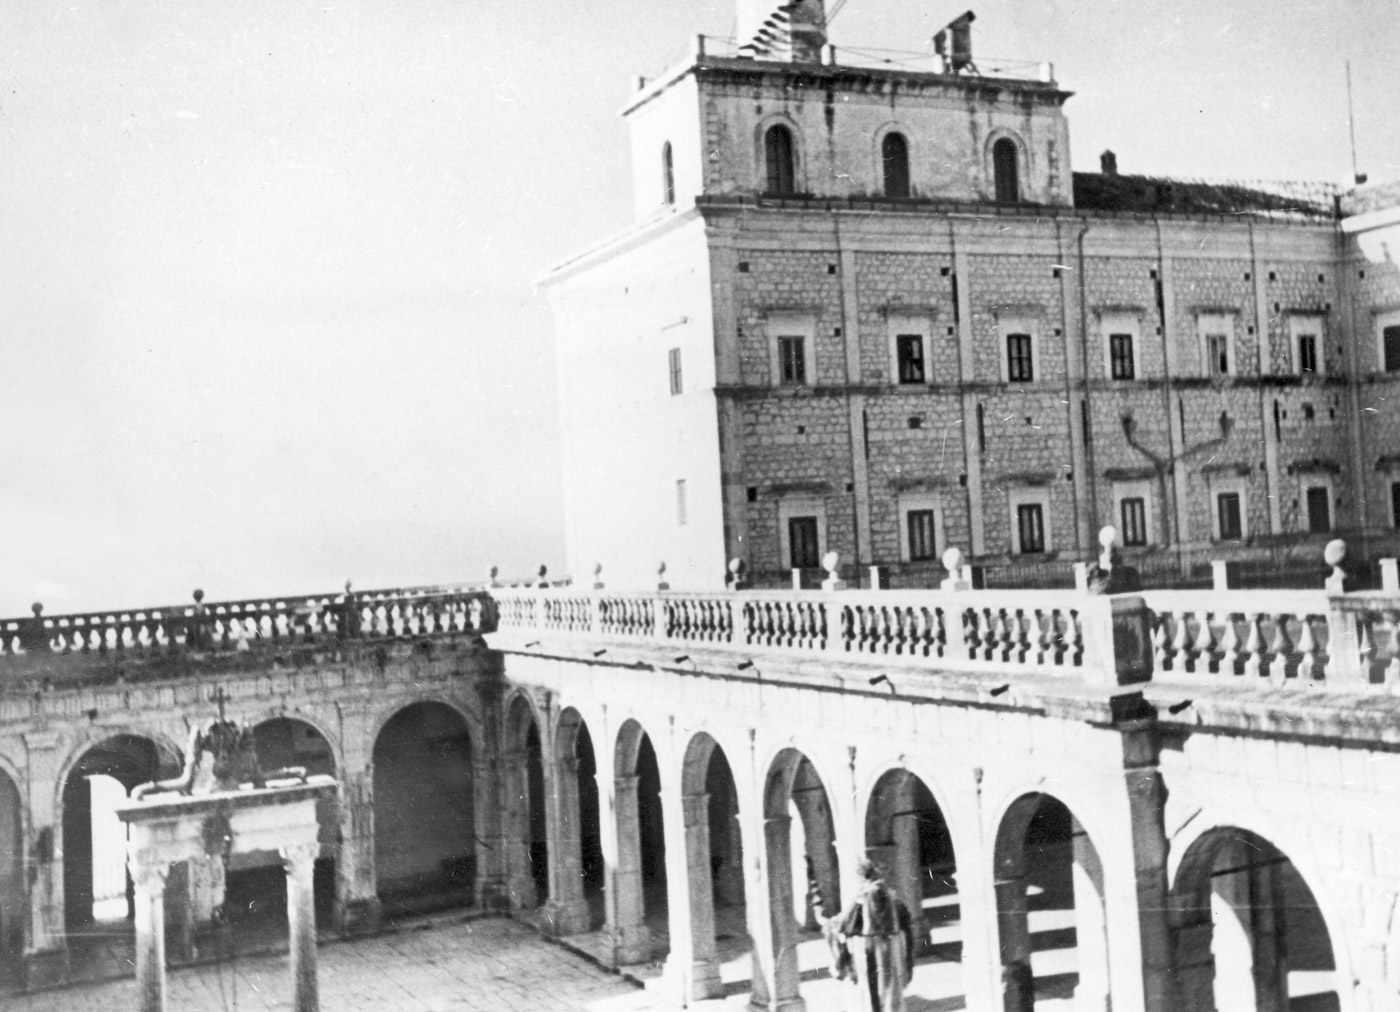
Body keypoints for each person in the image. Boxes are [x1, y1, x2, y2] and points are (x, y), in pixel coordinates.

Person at [832, 857, 916, 1012]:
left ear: (862, 877)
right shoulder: (893, 898)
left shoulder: (862, 898)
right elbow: (906, 920)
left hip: (870, 948)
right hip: (892, 947)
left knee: (872, 993)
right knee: (890, 990)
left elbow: (845, 925)